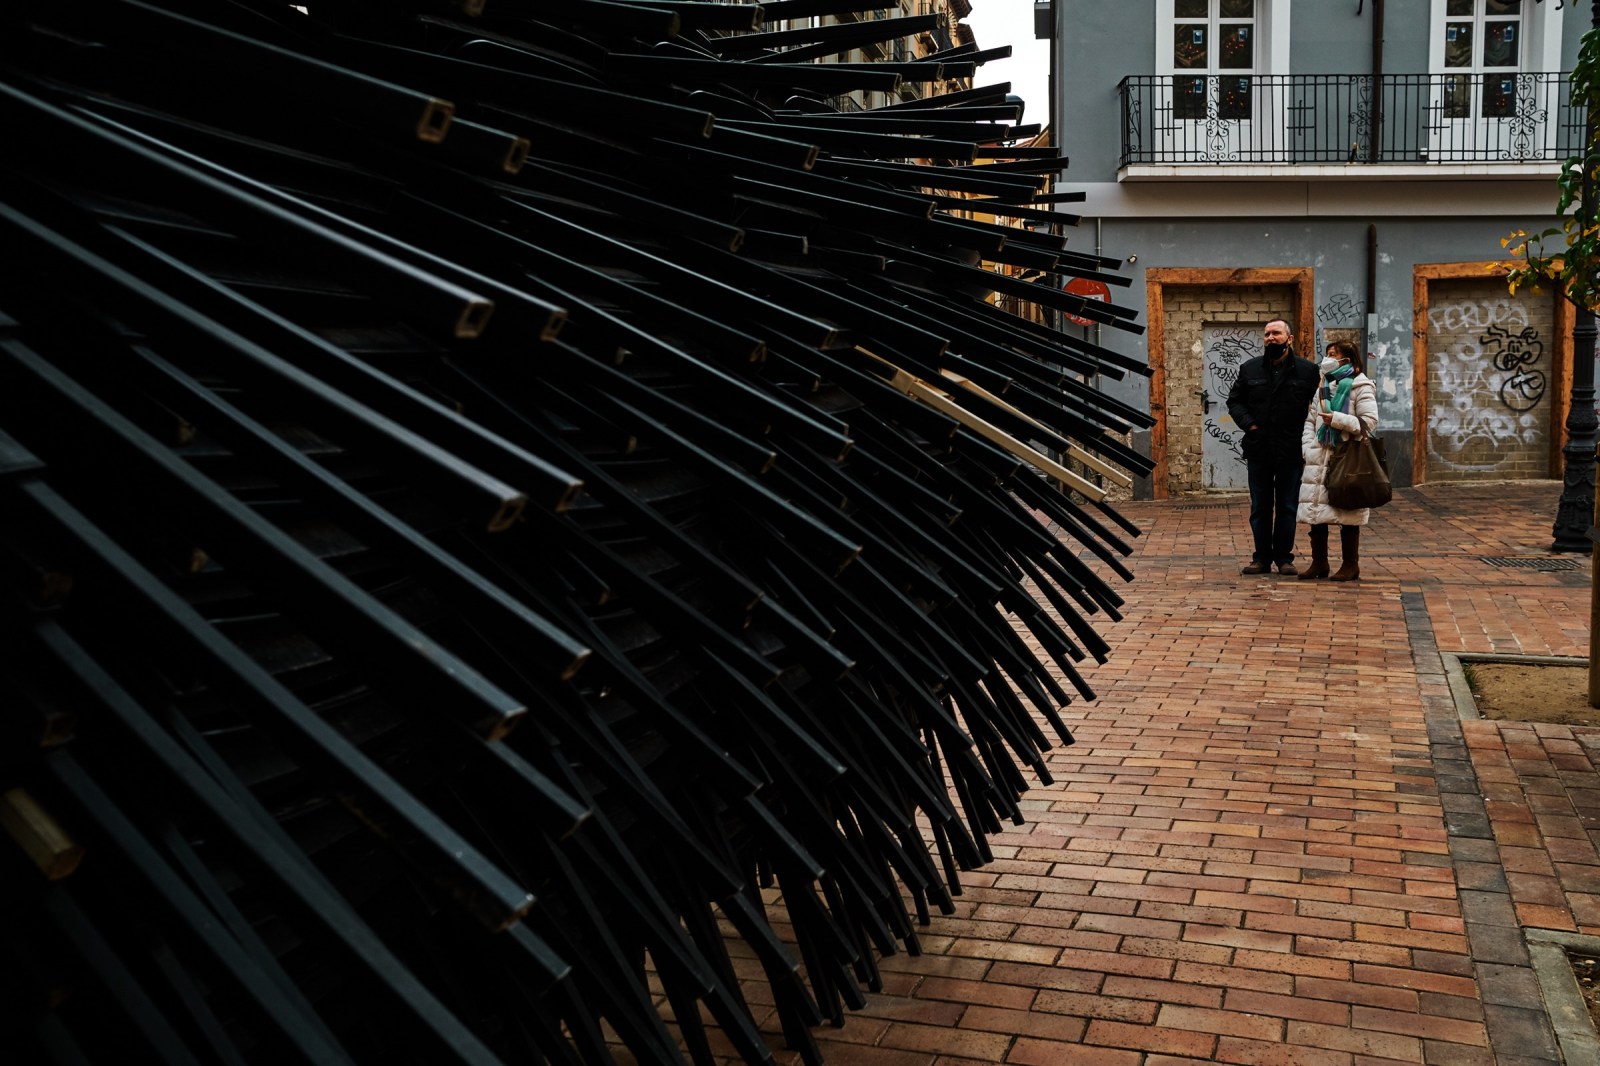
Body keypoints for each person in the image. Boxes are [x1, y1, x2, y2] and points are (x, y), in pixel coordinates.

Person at [1225, 318, 1320, 575]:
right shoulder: (1250, 369)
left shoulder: (1308, 371)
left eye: (1276, 333)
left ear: (1289, 339)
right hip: (1259, 449)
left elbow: (1320, 407)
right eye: (1267, 334)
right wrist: (1251, 425)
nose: (1270, 338)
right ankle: (1261, 558)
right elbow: (1234, 402)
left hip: (1292, 450)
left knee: (1288, 506)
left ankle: (1284, 559)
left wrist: (1309, 438)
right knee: (1260, 507)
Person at [1296, 340, 1380, 581]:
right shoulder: (1322, 385)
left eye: (1333, 355)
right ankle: (1319, 563)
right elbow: (1311, 420)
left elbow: (1369, 423)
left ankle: (1350, 565)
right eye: (1327, 354)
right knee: (1317, 512)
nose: (1327, 359)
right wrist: (1308, 447)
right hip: (1319, 455)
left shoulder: (1360, 386)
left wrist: (1338, 420)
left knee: (1348, 511)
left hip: (1346, 457)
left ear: (1347, 359)